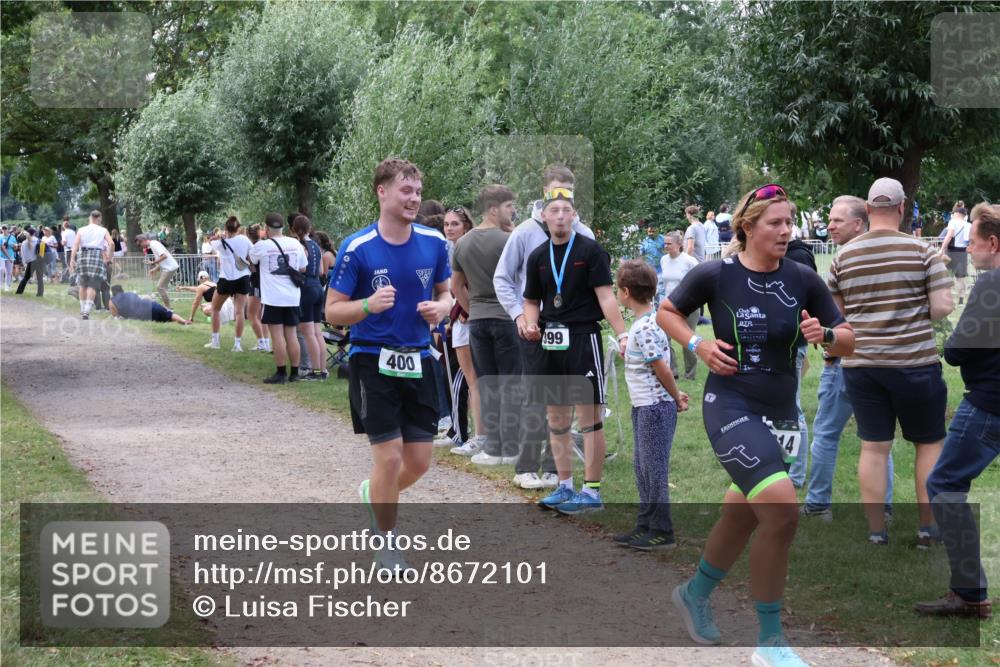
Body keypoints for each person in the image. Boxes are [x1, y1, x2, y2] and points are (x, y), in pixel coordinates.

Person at [660, 183, 854, 666]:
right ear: (748, 227)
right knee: (783, 513)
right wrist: (697, 345)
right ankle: (770, 642)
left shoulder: (803, 277)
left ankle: (696, 592)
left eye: (789, 222)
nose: (786, 231)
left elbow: (847, 339)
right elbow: (668, 313)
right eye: (776, 223)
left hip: (783, 414)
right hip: (730, 406)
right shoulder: (714, 274)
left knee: (743, 512)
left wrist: (826, 334)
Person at [326, 157, 451, 575]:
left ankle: (373, 493)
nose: (414, 198)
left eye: (417, 191)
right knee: (391, 458)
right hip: (371, 361)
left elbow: (447, 293)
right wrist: (366, 304)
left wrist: (442, 308)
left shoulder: (434, 242)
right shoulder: (357, 248)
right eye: (405, 190)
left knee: (418, 462)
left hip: (419, 360)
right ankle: (387, 543)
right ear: (382, 191)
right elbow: (331, 312)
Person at [828, 177, 953, 547]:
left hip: (862, 367)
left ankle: (876, 531)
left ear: (867, 210)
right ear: (902, 208)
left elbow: (837, 317)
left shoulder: (843, 256)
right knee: (928, 444)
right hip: (915, 363)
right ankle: (928, 528)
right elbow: (943, 306)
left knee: (873, 447)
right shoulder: (924, 251)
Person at [915, 202, 1000, 620]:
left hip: (987, 403)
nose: (971, 248)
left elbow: (957, 349)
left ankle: (970, 594)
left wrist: (950, 346)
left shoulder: (991, 286)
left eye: (975, 241)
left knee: (945, 483)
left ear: (993, 243)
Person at [524, 185, 629, 515]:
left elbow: (606, 296)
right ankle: (564, 485)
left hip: (583, 339)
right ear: (543, 216)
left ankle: (592, 491)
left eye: (565, 210)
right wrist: (529, 323)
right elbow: (530, 300)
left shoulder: (590, 250)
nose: (559, 216)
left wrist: (622, 334)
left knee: (590, 419)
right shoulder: (538, 256)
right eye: (553, 211)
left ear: (574, 215)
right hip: (549, 343)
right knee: (556, 418)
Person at [494, 165, 594, 490]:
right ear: (544, 192)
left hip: (572, 330)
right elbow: (503, 278)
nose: (562, 201)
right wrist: (519, 317)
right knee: (536, 396)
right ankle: (525, 467)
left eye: (569, 194)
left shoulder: (585, 234)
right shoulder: (525, 231)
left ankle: (555, 469)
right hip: (534, 327)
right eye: (556, 192)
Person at [799, 196, 895, 522]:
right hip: (883, 363)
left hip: (846, 362)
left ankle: (817, 506)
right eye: (829, 219)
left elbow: (837, 319)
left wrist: (827, 345)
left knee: (826, 433)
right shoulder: (890, 256)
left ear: (859, 223)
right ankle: (885, 509)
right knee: (878, 439)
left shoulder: (844, 262)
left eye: (837, 220)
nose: (829, 225)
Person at [615, 260, 688, 550]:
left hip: (655, 407)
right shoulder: (645, 324)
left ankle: (662, 529)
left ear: (625, 291)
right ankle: (645, 524)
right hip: (644, 406)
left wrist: (675, 396)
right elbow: (649, 362)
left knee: (654, 469)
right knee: (641, 466)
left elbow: (662, 368)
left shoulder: (646, 326)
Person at [451, 187, 521, 472]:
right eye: (508, 206)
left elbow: (456, 286)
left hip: (477, 320)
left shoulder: (463, 243)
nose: (512, 212)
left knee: (487, 382)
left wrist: (470, 309)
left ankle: (493, 447)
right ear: (493, 208)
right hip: (507, 317)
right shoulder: (510, 240)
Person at [439, 206, 488, 455]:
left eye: (454, 224)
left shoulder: (467, 249)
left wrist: (469, 312)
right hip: (462, 316)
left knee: (471, 378)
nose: (449, 228)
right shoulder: (454, 249)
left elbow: (464, 285)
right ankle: (465, 431)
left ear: (466, 225)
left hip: (469, 318)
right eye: (446, 224)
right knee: (470, 378)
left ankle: (476, 435)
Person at [249, 212, 307, 383]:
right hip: (292, 296)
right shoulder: (295, 243)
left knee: (277, 335)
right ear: (282, 227)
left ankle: (281, 373)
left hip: (273, 297)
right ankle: (295, 372)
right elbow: (303, 268)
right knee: (291, 335)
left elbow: (250, 261)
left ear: (266, 229)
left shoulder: (262, 246)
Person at [205, 216, 252, 352]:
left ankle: (215, 341)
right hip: (243, 277)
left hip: (226, 279)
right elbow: (252, 253)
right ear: (238, 228)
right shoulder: (244, 239)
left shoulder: (221, 242)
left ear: (226, 228)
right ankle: (237, 345)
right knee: (239, 312)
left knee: (215, 308)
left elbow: (210, 241)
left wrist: (219, 236)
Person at [658, 231, 699, 380]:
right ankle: (673, 370)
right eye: (665, 243)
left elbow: (698, 284)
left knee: (687, 340)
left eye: (669, 243)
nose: (666, 246)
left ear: (679, 244)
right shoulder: (663, 260)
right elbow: (664, 283)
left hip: (689, 306)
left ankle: (690, 373)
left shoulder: (689, 261)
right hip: (669, 305)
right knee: (664, 338)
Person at [291, 215, 326, 380]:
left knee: (308, 333)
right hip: (319, 288)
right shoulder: (316, 246)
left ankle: (315, 371)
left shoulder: (300, 246)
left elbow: (301, 268)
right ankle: (323, 370)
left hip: (306, 289)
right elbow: (321, 272)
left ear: (294, 230)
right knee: (318, 332)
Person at [69, 211, 113, 318]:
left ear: (90, 217)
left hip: (83, 254)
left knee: (83, 284)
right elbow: (111, 243)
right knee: (93, 285)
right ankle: (87, 311)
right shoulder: (103, 230)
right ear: (99, 218)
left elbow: (75, 244)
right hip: (97, 255)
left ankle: (82, 308)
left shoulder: (82, 230)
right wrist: (109, 257)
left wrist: (72, 259)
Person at [109, 284, 192, 325]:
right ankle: (184, 321)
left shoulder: (112, 301)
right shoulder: (130, 293)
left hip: (141, 315)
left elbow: (116, 316)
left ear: (113, 293)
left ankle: (180, 322)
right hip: (151, 305)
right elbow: (142, 298)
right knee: (169, 315)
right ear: (122, 290)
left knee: (163, 320)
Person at [939, 201, 971, 305]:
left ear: (957, 214)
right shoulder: (968, 225)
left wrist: (942, 249)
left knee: (946, 276)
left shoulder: (953, 222)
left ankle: (945, 300)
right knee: (961, 278)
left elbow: (948, 237)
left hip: (951, 252)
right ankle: (961, 301)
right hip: (962, 253)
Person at [246, 223, 270, 353]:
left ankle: (262, 342)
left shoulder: (254, 248)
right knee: (262, 315)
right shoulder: (266, 245)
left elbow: (253, 267)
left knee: (252, 314)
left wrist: (246, 262)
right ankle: (266, 342)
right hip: (265, 283)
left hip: (256, 283)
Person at [139, 235, 178, 308]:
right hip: (170, 267)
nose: (140, 246)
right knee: (162, 287)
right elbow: (162, 260)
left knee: (160, 287)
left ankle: (168, 308)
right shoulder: (153, 244)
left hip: (170, 268)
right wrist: (154, 269)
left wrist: (153, 262)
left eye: (139, 244)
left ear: (143, 241)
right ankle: (168, 306)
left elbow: (164, 256)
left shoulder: (153, 244)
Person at [15, 227, 44, 297]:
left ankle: (19, 292)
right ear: (34, 233)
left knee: (25, 278)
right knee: (40, 278)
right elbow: (42, 253)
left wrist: (25, 262)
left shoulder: (23, 243)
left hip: (30, 262)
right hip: (38, 261)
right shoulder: (39, 241)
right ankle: (40, 294)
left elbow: (22, 254)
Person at [1, 225, 16, 290]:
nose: (4, 230)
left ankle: (7, 286)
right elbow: (2, 248)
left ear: (8, 229)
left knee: (9, 272)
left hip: (11, 255)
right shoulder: (0, 237)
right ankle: (0, 284)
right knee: (1, 270)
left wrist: (14, 246)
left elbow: (16, 247)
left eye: (5, 228)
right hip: (1, 256)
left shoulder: (12, 237)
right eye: (3, 228)